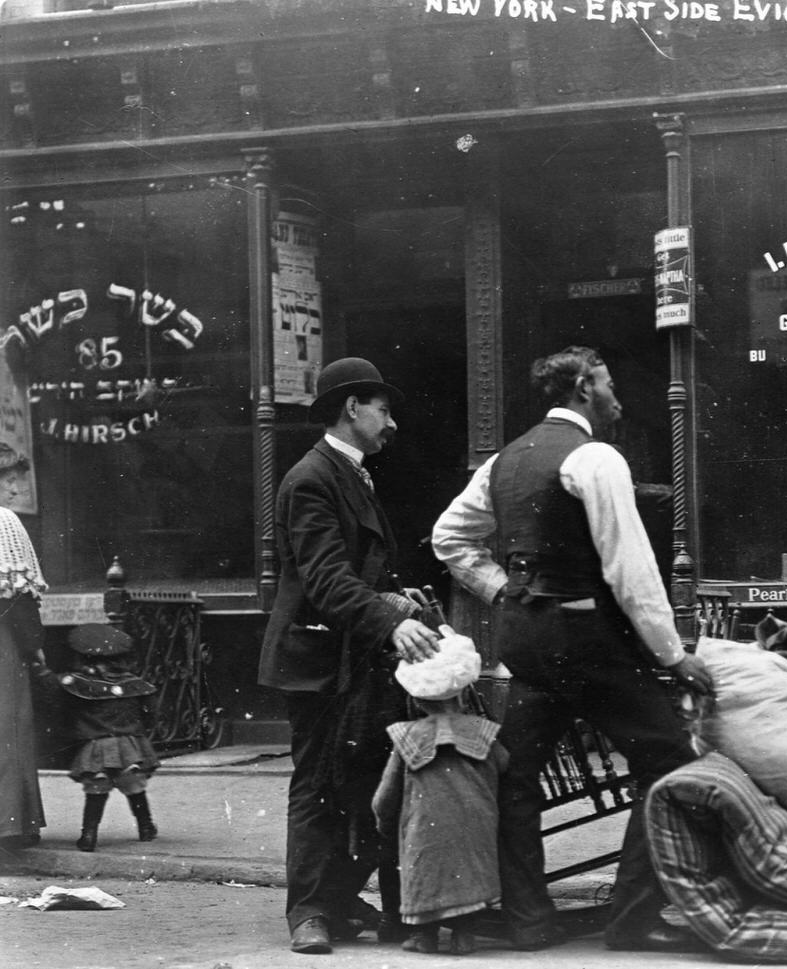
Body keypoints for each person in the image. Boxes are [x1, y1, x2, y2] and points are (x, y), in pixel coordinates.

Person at [432, 345, 713, 953]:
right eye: (609, 385)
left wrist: (503, 588)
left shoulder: (504, 461)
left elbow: (448, 537)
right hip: (585, 642)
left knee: (517, 778)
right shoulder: (596, 457)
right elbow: (629, 569)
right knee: (668, 760)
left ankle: (529, 921)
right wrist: (672, 654)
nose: (617, 399)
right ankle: (633, 919)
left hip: (524, 641)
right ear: (584, 388)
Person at [258, 357, 441, 955]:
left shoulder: (349, 474)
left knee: (359, 781)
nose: (392, 423)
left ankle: (336, 900)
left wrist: (397, 599)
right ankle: (308, 914)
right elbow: (326, 580)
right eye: (383, 410)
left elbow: (358, 571)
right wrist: (392, 622)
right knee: (317, 784)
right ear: (352, 408)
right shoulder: (312, 478)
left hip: (348, 654)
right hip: (316, 657)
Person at [372, 626, 507, 955]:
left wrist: (384, 821)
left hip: (424, 833)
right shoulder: (485, 734)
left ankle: (424, 936)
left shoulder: (407, 739)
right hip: (475, 827)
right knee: (470, 874)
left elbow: (385, 797)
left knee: (424, 876)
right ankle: (464, 934)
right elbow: (505, 768)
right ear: (463, 695)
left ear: (415, 700)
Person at [58, 624, 160, 852]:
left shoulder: (77, 685)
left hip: (95, 746)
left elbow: (65, 712)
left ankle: (88, 835)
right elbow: (151, 715)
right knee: (134, 786)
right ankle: (145, 827)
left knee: (96, 789)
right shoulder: (135, 684)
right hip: (129, 745)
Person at [0, 495, 48, 851]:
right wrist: (34, 646)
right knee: (8, 731)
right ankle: (11, 824)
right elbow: (17, 596)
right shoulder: (4, 522)